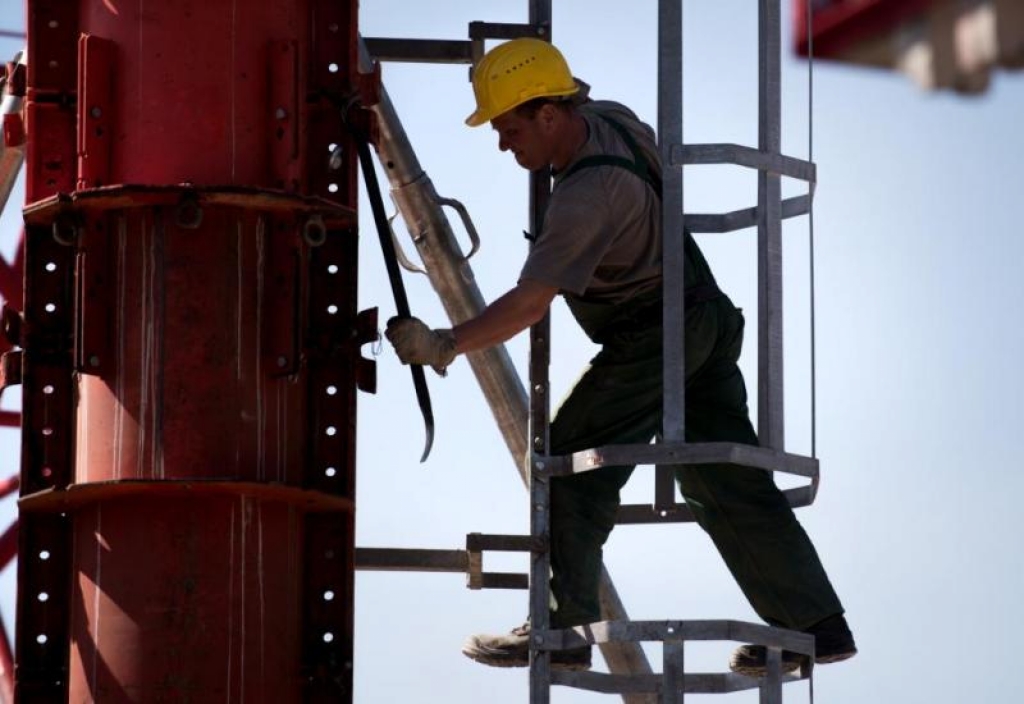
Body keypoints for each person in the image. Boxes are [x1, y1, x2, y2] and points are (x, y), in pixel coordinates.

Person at [385, 38, 856, 677]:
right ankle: (816, 627)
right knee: (723, 478)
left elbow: (530, 304)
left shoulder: (586, 197)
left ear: (548, 114)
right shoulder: (614, 119)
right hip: (705, 318)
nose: (503, 145)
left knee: (567, 458)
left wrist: (444, 343)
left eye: (510, 129)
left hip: (654, 332)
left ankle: (561, 629)